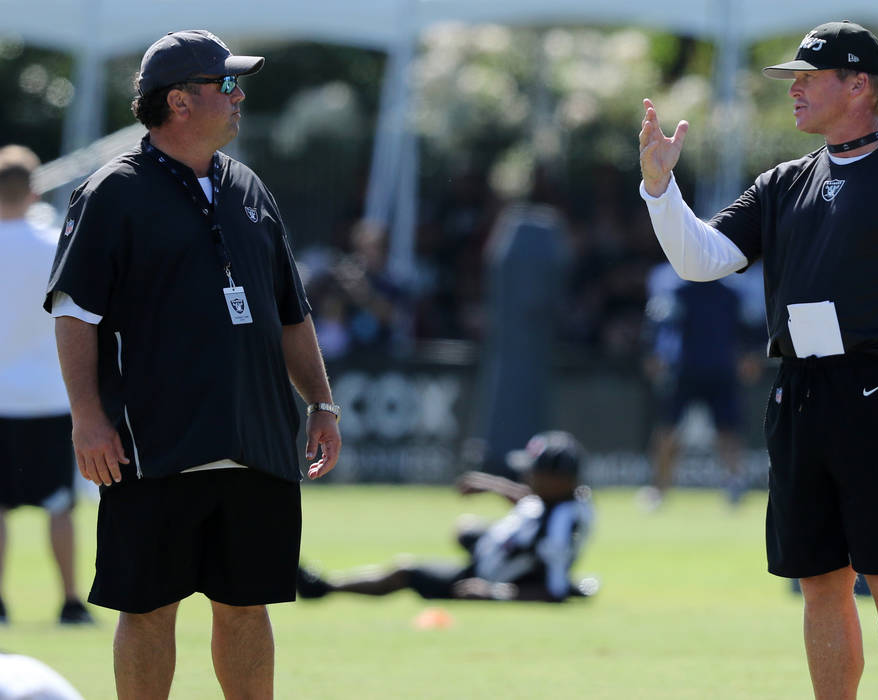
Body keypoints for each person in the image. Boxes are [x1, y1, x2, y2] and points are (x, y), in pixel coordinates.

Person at [638, 20, 878, 699]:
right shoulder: (784, 181)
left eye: (807, 76)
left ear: (859, 85)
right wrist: (660, 188)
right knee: (818, 581)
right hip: (799, 393)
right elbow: (701, 258)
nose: (793, 88)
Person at [43, 30, 342, 699]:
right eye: (227, 85)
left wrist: (320, 404)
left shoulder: (249, 186)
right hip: (154, 442)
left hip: (257, 438)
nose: (241, 98)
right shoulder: (113, 192)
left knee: (247, 603)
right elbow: (74, 313)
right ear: (179, 101)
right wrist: (88, 419)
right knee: (148, 607)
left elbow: (291, 312)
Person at [296, 431, 594, 603]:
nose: (529, 476)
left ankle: (324, 587)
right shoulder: (567, 500)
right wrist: (492, 486)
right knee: (467, 528)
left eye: (536, 471)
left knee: (406, 570)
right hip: (497, 560)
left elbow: (553, 591)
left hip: (488, 577)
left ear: (559, 479)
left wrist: (495, 592)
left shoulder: (560, 526)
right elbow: (535, 500)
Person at [0, 145, 92, 626]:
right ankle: (71, 602)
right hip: (50, 395)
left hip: (1, 398)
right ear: (33, 188)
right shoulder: (55, 242)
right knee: (60, 504)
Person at [638, 262, 747, 510]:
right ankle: (659, 489)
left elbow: (745, 330)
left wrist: (747, 355)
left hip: (721, 371)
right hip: (684, 371)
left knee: (728, 431)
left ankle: (734, 485)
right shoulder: (678, 291)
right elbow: (659, 326)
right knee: (668, 431)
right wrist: (655, 355)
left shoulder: (730, 294)